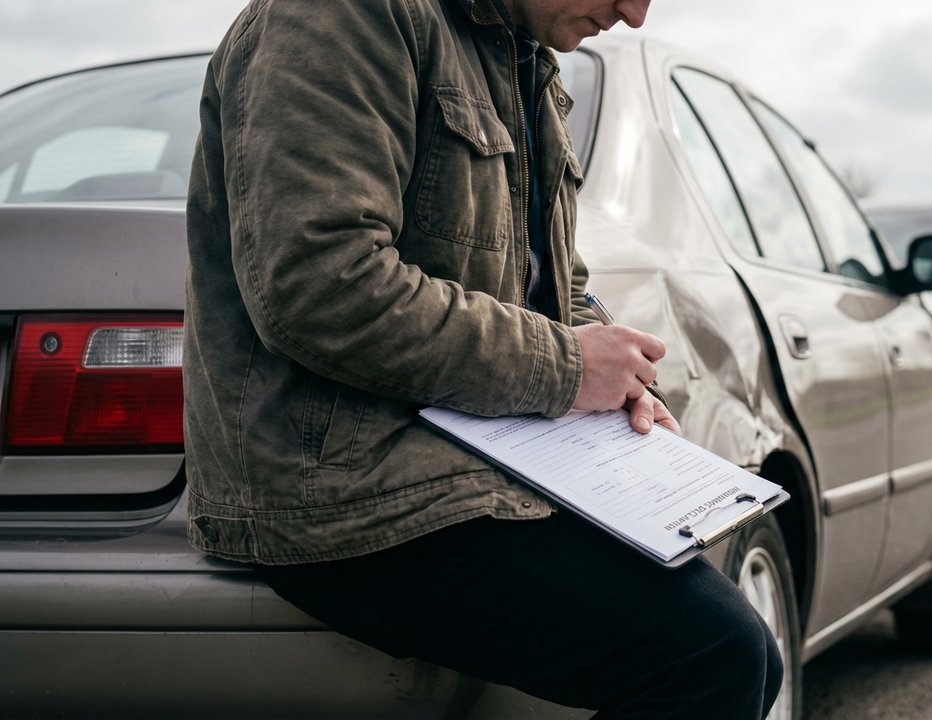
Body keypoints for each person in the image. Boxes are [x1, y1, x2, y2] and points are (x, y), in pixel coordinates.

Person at [183, 0, 784, 717]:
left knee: (742, 646)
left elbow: (551, 284)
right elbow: (319, 284)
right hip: (345, 495)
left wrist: (615, 376)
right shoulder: (345, 13)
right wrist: (567, 367)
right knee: (712, 655)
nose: (634, 13)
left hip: (478, 466)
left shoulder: (520, 54)